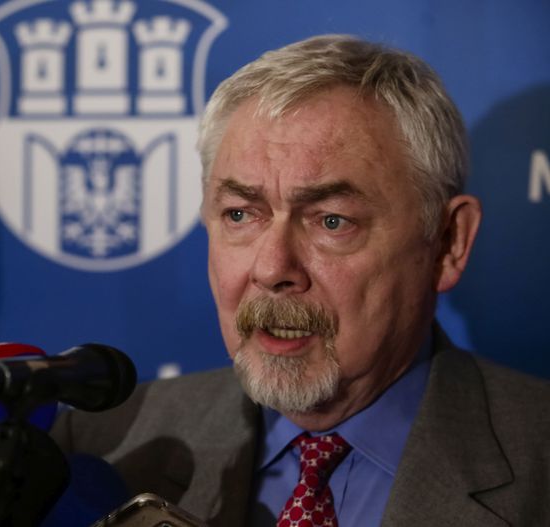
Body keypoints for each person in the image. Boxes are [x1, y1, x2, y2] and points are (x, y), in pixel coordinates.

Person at [51, 34, 550, 526]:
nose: (272, 269)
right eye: (240, 214)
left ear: (447, 243)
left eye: (332, 221)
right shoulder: (102, 446)